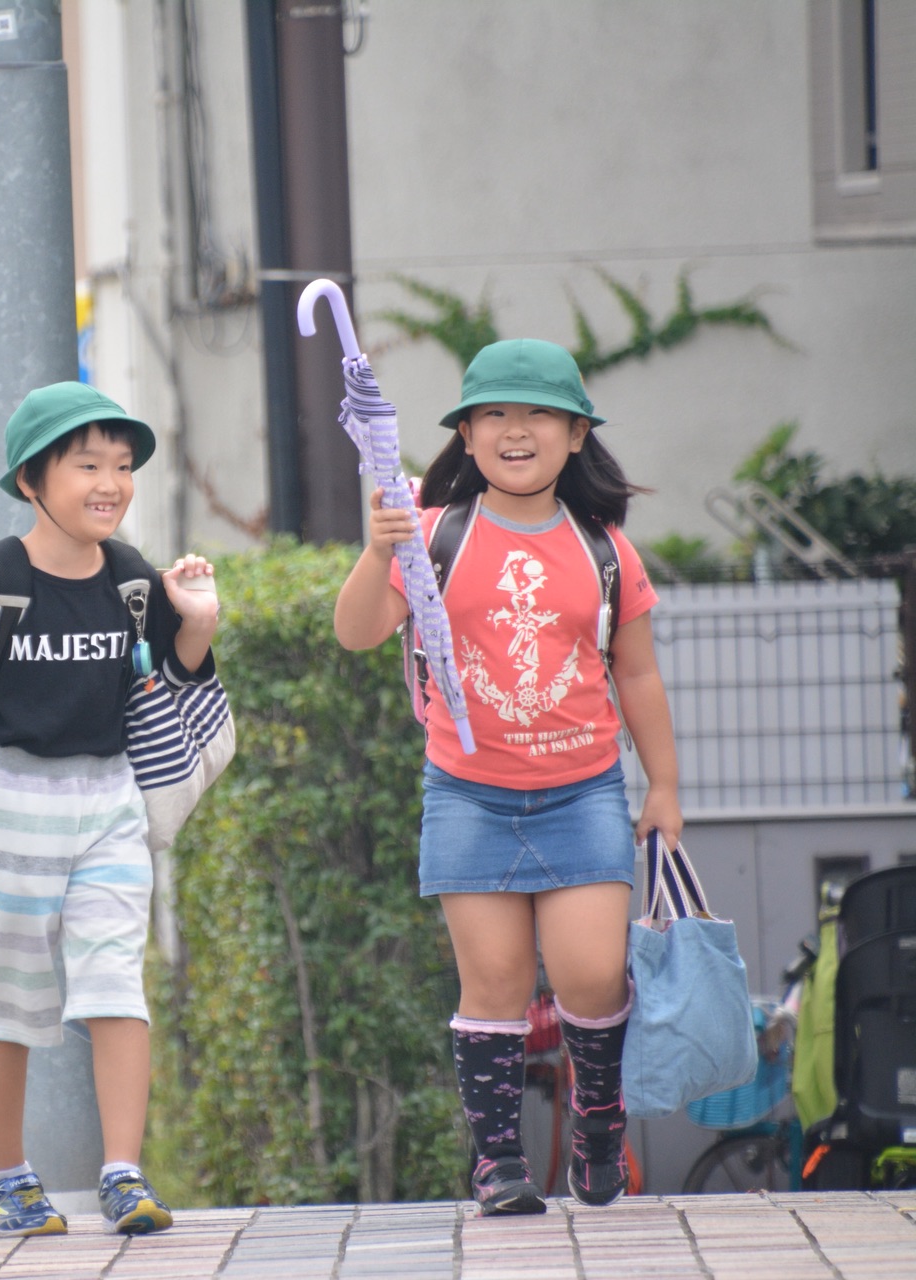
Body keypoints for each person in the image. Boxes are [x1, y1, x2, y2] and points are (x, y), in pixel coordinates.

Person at [332, 339, 681, 1216]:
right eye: (493, 413)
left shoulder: (604, 548)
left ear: (574, 436)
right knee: (491, 984)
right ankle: (499, 1165)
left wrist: (664, 789)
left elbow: (635, 674)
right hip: (468, 793)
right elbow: (357, 632)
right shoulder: (431, 522)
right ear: (467, 433)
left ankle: (599, 1116)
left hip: (584, 791)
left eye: (537, 415)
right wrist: (379, 552)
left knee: (592, 977)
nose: (514, 430)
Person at [0, 382, 219, 1238]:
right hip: (15, 802)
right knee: (12, 1003)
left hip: (110, 798)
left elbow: (174, 671)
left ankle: (122, 1173)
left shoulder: (130, 578)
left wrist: (199, 618)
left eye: (122, 465)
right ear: (32, 481)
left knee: (118, 985)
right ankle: (7, 1178)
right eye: (88, 465)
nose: (111, 481)